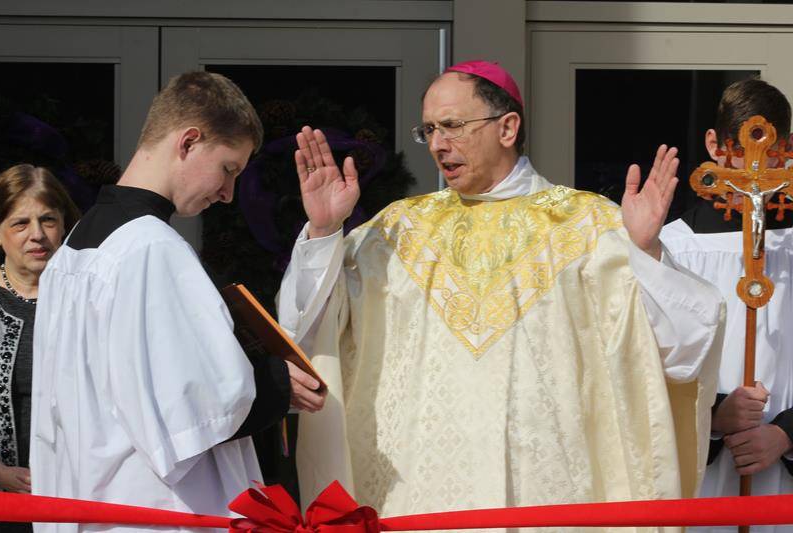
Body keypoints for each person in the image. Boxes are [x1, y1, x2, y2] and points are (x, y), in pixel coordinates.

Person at [279, 60, 725, 522]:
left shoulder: (588, 226)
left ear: (508, 128)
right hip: (420, 497)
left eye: (452, 126)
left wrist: (646, 251)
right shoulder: (396, 232)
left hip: (549, 493)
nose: (438, 144)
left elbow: (682, 350)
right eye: (429, 130)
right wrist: (324, 231)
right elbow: (311, 335)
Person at [30, 71, 326, 533]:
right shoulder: (151, 248)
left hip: (91, 502)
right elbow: (196, 411)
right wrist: (276, 380)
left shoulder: (72, 248)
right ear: (189, 141)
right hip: (153, 510)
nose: (227, 194)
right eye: (229, 169)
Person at [662, 78, 793, 533]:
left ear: (787, 150)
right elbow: (649, 363)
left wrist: (786, 433)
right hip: (706, 471)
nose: (754, 170)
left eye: (770, 153)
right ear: (713, 146)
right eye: (739, 151)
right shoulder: (673, 248)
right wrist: (714, 414)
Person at [0, 164, 80, 533]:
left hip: (74, 496)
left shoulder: (84, 298)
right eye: (20, 223)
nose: (37, 235)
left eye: (48, 220)